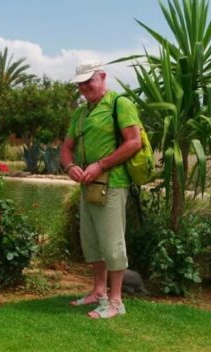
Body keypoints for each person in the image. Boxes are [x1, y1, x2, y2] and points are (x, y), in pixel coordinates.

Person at [60, 61, 144, 319]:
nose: (84, 87)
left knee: (111, 242)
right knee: (93, 241)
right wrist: (70, 166)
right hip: (89, 185)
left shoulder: (120, 104)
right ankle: (99, 292)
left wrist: (101, 165)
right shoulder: (81, 113)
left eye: (89, 81)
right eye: (80, 83)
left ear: (103, 77)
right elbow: (66, 148)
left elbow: (134, 143)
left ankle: (117, 301)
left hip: (113, 183)